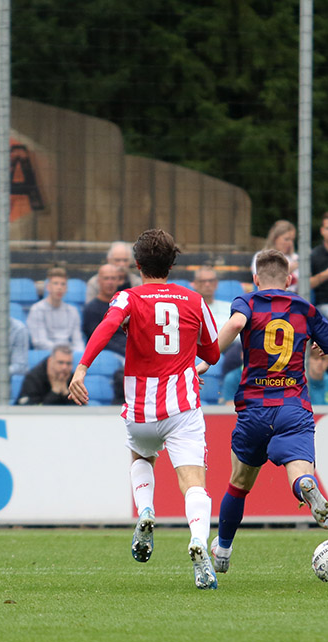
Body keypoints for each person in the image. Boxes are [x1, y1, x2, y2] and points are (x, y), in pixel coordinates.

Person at [69, 228, 221, 590]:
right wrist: (186, 352)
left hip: (140, 411)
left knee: (140, 456)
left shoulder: (127, 299)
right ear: (172, 263)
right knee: (192, 482)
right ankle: (198, 542)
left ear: (137, 265)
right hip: (182, 408)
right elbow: (212, 354)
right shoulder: (193, 299)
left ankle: (146, 510)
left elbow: (106, 327)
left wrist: (82, 368)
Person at [197, 248, 328, 577]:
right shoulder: (305, 309)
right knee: (300, 469)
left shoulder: (246, 303)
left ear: (256, 280)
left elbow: (236, 324)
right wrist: (321, 345)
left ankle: (222, 550)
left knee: (238, 483)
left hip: (254, 408)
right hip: (293, 406)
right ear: (290, 280)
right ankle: (307, 485)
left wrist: (207, 359)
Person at [193, 266, 241, 375]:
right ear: (195, 284)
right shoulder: (190, 308)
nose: (207, 284)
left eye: (211, 281)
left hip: (230, 347)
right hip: (201, 347)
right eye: (203, 281)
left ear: (216, 283)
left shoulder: (230, 307)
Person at [26, 267, 84, 351]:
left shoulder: (73, 311)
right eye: (56, 283)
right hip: (46, 356)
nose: (59, 287)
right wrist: (63, 352)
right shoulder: (37, 309)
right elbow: (40, 342)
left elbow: (78, 341)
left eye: (63, 284)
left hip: (68, 356)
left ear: (66, 288)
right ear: (48, 287)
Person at [81, 264, 126, 357]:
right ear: (99, 281)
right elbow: (98, 339)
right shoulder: (91, 309)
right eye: (106, 278)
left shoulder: (125, 305)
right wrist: (125, 351)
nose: (110, 282)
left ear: (118, 281)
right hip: (108, 354)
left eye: (113, 278)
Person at [251, 220, 299, 292]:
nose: (290, 243)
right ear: (275, 238)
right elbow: (263, 277)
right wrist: (288, 269)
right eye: (286, 239)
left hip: (293, 297)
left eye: (292, 240)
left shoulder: (295, 258)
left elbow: (299, 283)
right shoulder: (260, 256)